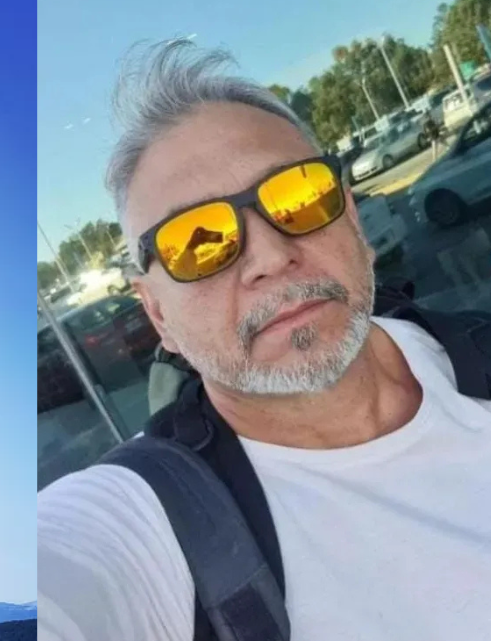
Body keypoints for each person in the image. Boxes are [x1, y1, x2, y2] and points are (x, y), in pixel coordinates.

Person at [38, 39, 491, 641]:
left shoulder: (477, 350)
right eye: (197, 241)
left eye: (298, 196)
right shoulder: (141, 525)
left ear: (352, 218)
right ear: (158, 314)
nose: (272, 257)